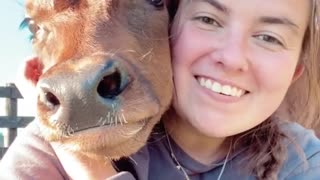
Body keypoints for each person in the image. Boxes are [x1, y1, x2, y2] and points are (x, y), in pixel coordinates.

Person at [1, 0, 320, 179]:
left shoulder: (300, 160)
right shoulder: (42, 156)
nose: (232, 59)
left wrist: (89, 172)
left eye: (270, 37)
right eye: (209, 20)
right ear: (177, 21)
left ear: (296, 71)